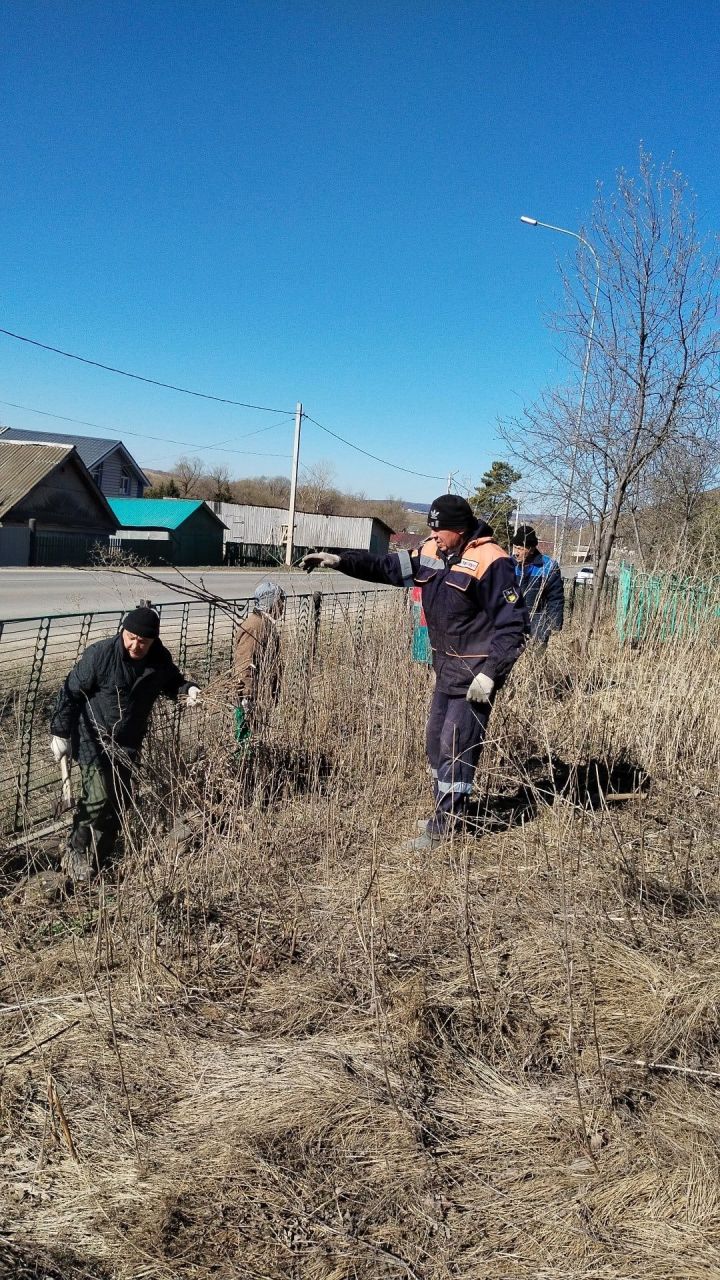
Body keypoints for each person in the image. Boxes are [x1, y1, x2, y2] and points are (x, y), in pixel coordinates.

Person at [301, 495, 529, 850]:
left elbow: (513, 626)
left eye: (440, 530)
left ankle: (444, 830)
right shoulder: (431, 552)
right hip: (446, 668)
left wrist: (490, 674)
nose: (434, 536)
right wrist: (339, 560)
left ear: (460, 528)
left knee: (455, 746)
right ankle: (447, 812)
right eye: (431, 529)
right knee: (436, 743)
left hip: (475, 676)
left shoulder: (492, 560)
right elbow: (387, 568)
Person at [49, 606, 200, 884]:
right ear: (123, 631)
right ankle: (75, 851)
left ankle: (101, 858)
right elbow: (70, 691)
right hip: (93, 738)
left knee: (119, 802)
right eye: (130, 637)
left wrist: (187, 690)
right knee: (97, 798)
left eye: (142, 641)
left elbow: (172, 683)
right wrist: (60, 732)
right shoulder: (101, 655)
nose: (135, 645)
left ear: (153, 640)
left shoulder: (158, 660)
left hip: (128, 743)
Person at [233, 580, 285, 743]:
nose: (283, 605)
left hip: (260, 695)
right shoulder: (255, 627)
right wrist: (247, 697)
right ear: (272, 603)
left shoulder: (264, 623)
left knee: (256, 739)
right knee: (246, 741)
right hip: (250, 699)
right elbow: (245, 663)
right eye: (281, 601)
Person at [510, 525, 564, 645]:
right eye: (515, 548)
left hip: (538, 625)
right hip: (511, 624)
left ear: (531, 549)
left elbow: (555, 597)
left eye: (520, 548)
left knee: (536, 658)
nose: (516, 553)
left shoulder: (548, 566)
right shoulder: (509, 565)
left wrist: (554, 624)